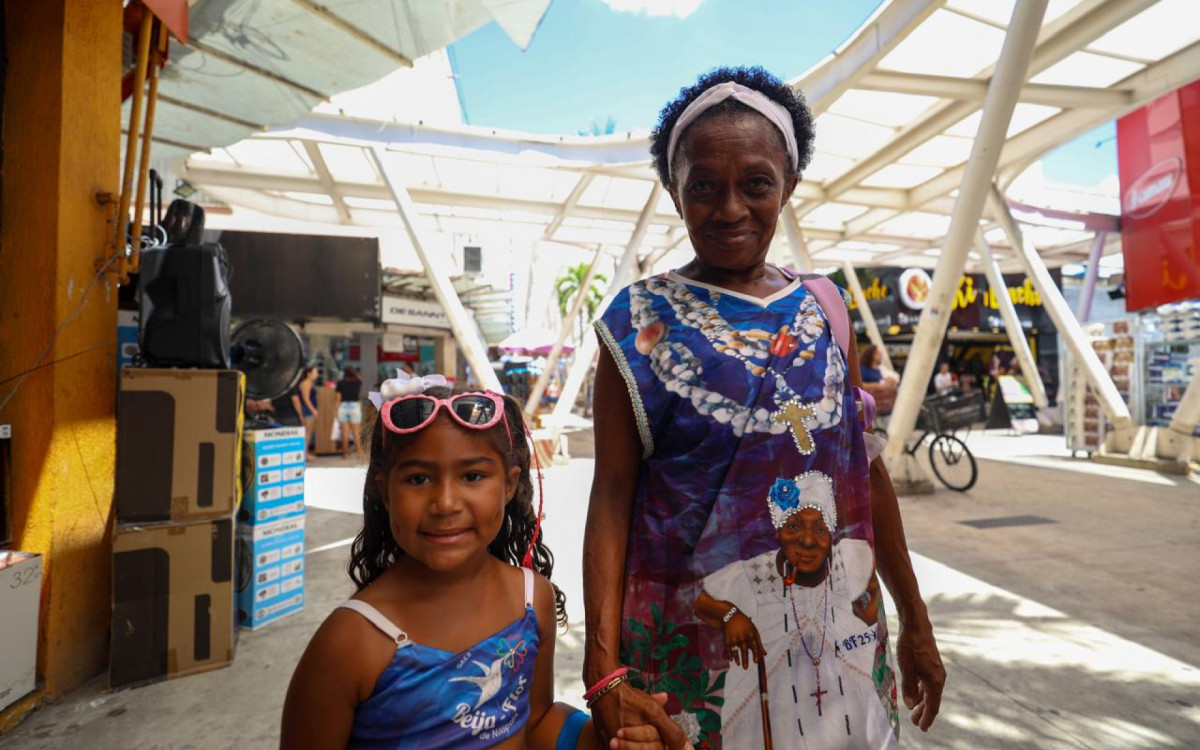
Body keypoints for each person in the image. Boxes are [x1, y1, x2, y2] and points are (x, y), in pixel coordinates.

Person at [583, 67, 944, 750]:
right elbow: (612, 493)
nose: (730, 209)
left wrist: (915, 618)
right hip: (695, 655)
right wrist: (601, 668)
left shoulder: (827, 306)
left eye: (755, 183)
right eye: (703, 186)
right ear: (674, 191)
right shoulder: (637, 322)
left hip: (841, 643)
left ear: (789, 185)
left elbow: (864, 471)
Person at [281, 376, 658, 750]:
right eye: (418, 478)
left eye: (472, 476)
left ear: (509, 485)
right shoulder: (349, 641)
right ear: (385, 490)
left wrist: (614, 738)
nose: (445, 503)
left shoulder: (531, 599)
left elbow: (536, 721)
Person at [694, 473, 894, 748]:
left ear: (831, 534)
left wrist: (857, 636)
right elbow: (702, 601)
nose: (808, 541)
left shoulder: (846, 563)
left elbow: (869, 593)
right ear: (778, 532)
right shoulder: (758, 573)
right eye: (793, 527)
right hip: (773, 711)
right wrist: (731, 616)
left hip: (843, 705)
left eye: (820, 530)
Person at [336, 366, 364, 458]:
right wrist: (356, 373)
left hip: (343, 406)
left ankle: (345, 454)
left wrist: (335, 410)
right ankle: (359, 453)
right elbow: (360, 378)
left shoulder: (340, 383)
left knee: (345, 432)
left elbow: (338, 398)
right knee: (356, 432)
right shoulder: (358, 382)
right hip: (355, 406)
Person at [292, 365, 320, 457]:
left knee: (309, 432)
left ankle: (305, 452)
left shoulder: (309, 383)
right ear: (308, 374)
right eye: (315, 372)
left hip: (309, 410)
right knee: (307, 433)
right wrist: (313, 410)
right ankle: (304, 454)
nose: (317, 374)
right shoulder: (305, 383)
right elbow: (306, 399)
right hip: (307, 410)